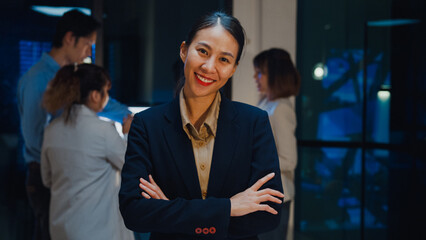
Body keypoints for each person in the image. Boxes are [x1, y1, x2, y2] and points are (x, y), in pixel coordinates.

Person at [119, 12, 284, 240]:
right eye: (203, 51)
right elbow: (134, 212)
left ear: (234, 68)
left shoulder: (254, 123)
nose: (209, 67)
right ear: (184, 50)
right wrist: (228, 208)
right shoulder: (147, 125)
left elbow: (269, 213)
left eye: (224, 59)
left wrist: (171, 211)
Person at [16, 9, 131, 239]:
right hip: (46, 173)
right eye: (88, 44)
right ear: (70, 38)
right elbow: (34, 139)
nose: (90, 52)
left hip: (64, 176)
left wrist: (130, 116)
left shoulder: (72, 81)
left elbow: (100, 105)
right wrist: (74, 158)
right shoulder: (38, 79)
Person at [40, 63, 134, 240]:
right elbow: (130, 166)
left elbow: (47, 179)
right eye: (106, 93)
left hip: (61, 228)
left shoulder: (51, 130)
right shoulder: (104, 131)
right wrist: (128, 134)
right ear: (95, 96)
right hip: (97, 229)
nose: (107, 98)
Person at [253, 48, 300, 240]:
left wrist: (255, 162)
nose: (256, 78)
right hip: (265, 194)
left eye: (260, 73)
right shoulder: (266, 103)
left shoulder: (280, 108)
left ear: (274, 74)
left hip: (276, 194)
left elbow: (290, 160)